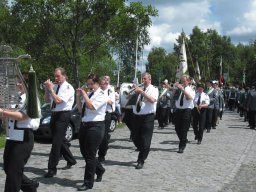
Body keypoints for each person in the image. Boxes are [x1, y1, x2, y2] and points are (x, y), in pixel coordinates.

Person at [1, 78, 40, 192]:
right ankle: (30, 186)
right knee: (8, 167)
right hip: (12, 135)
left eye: (20, 82)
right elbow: (9, 110)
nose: (18, 84)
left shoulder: (31, 99)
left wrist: (3, 112)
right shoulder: (16, 97)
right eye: (17, 82)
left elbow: (23, 116)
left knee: (14, 171)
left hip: (24, 136)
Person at [76, 74, 108, 191]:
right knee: (84, 152)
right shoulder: (89, 94)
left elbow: (92, 106)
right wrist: (78, 96)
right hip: (85, 125)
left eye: (91, 84)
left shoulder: (102, 95)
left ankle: (88, 182)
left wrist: (84, 94)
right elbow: (80, 109)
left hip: (96, 126)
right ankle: (99, 169)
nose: (89, 86)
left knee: (90, 154)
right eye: (88, 84)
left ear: (98, 83)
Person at [44, 67, 77, 178]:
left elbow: (58, 101)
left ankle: (52, 168)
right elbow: (47, 100)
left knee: (56, 143)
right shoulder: (56, 86)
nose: (56, 78)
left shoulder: (68, 87)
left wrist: (51, 90)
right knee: (60, 140)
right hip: (54, 114)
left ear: (64, 75)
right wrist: (47, 89)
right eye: (55, 76)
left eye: (58, 76)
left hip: (63, 115)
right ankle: (71, 160)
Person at [131, 72, 158, 169]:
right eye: (142, 78)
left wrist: (141, 92)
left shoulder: (154, 89)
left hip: (148, 117)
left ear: (150, 80)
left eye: (145, 79)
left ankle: (141, 160)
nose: (143, 80)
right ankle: (144, 149)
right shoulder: (139, 88)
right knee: (134, 137)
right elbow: (129, 99)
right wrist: (133, 92)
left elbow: (152, 100)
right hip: (137, 116)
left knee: (145, 140)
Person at [174, 75, 195, 153]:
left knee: (184, 129)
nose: (182, 82)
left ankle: (181, 146)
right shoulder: (179, 89)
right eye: (181, 81)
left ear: (188, 81)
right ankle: (184, 139)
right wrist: (175, 88)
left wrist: (183, 90)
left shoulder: (191, 89)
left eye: (184, 81)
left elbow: (189, 97)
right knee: (177, 128)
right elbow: (174, 97)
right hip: (178, 110)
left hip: (187, 110)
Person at [98, 76, 115, 162]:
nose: (101, 86)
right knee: (98, 135)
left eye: (103, 84)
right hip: (97, 114)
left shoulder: (110, 90)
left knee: (104, 136)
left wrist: (101, 97)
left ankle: (101, 154)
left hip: (106, 114)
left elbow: (111, 101)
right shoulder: (98, 90)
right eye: (100, 84)